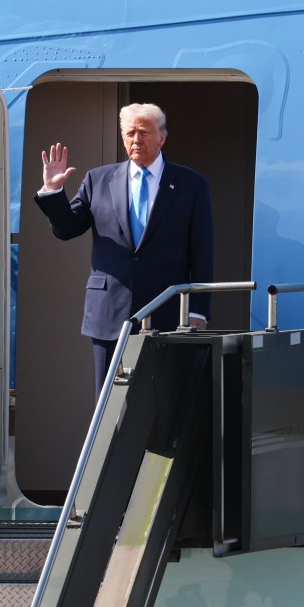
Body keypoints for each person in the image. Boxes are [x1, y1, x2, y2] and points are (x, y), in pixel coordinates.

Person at [34, 103, 214, 398]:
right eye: (129, 133)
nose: (136, 139)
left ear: (162, 138)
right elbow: (67, 229)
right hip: (108, 314)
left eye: (144, 132)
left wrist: (199, 312)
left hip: (168, 313)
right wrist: (53, 192)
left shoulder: (191, 185)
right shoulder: (98, 179)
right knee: (108, 406)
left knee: (165, 402)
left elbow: (202, 252)